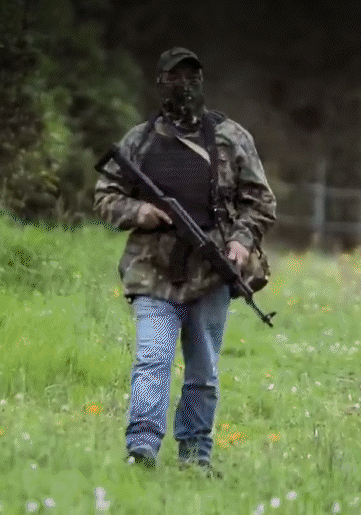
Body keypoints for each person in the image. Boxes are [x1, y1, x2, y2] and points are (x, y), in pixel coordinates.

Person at [93, 47, 276, 475]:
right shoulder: (139, 141)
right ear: (160, 83)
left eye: (192, 77)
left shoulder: (231, 137)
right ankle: (142, 447)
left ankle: (195, 455)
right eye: (175, 78)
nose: (185, 86)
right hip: (152, 269)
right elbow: (106, 195)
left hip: (210, 272)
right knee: (152, 359)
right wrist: (139, 211)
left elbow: (260, 201)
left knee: (203, 372)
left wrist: (240, 242)